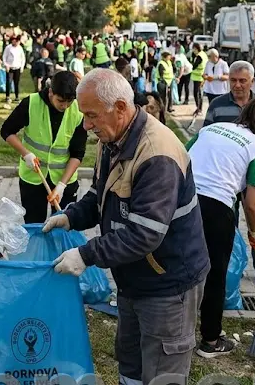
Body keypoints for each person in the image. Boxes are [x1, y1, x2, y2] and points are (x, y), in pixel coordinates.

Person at [43, 68, 208, 384]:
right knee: (130, 360)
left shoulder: (157, 154)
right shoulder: (113, 137)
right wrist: (71, 216)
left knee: (162, 370)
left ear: (120, 107)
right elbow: (101, 194)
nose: (86, 125)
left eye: (91, 116)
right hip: (134, 277)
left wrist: (85, 255)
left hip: (167, 282)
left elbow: (144, 233)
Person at [186, 97, 255, 357]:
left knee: (179, 265)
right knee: (214, 274)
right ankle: (210, 341)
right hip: (215, 209)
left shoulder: (210, 129)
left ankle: (173, 331)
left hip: (181, 200)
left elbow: (180, 156)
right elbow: (253, 205)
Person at [203, 61, 255, 290]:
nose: (237, 85)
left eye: (242, 81)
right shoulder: (217, 105)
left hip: (254, 174)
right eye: (233, 80)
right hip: (227, 178)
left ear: (252, 81)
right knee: (227, 223)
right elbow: (206, 135)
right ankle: (229, 267)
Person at [0, 71, 87, 224]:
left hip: (64, 179)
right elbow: (6, 131)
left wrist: (61, 185)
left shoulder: (78, 112)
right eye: (61, 101)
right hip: (33, 179)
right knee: (34, 224)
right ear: (51, 92)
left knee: (62, 228)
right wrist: (26, 154)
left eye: (70, 101)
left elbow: (77, 154)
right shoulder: (31, 103)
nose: (65, 106)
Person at [2, 36, 25, 104]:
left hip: (17, 67)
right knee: (9, 82)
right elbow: (4, 57)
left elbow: (22, 58)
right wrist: (6, 65)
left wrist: (22, 67)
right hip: (10, 67)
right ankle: (8, 97)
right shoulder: (8, 48)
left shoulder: (20, 48)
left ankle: (17, 97)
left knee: (17, 83)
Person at [189, 43, 207, 116]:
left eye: (193, 49)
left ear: (196, 48)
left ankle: (199, 109)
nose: (193, 51)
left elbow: (194, 66)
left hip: (198, 77)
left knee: (197, 94)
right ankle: (199, 108)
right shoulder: (203, 54)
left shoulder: (199, 56)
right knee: (199, 93)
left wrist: (192, 59)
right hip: (200, 76)